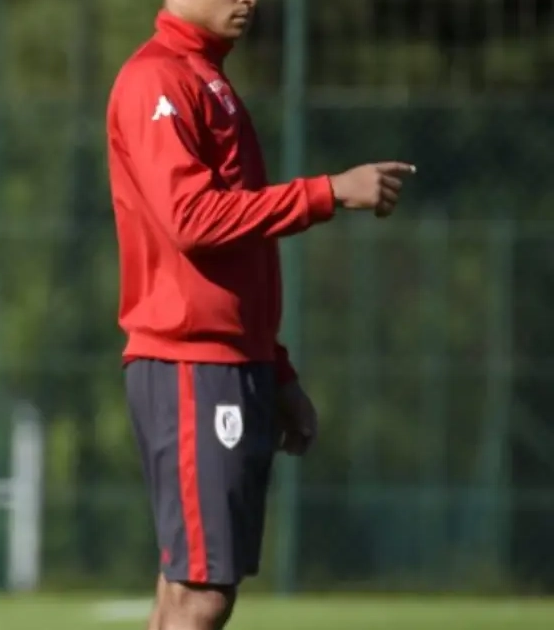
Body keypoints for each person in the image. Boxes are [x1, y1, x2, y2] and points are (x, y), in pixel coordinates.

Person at [106, 1, 414, 629]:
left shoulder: (206, 77)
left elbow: (239, 260)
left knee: (187, 588)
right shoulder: (157, 78)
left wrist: (275, 369)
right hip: (189, 361)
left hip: (227, 361)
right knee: (201, 593)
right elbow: (191, 220)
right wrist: (328, 192)